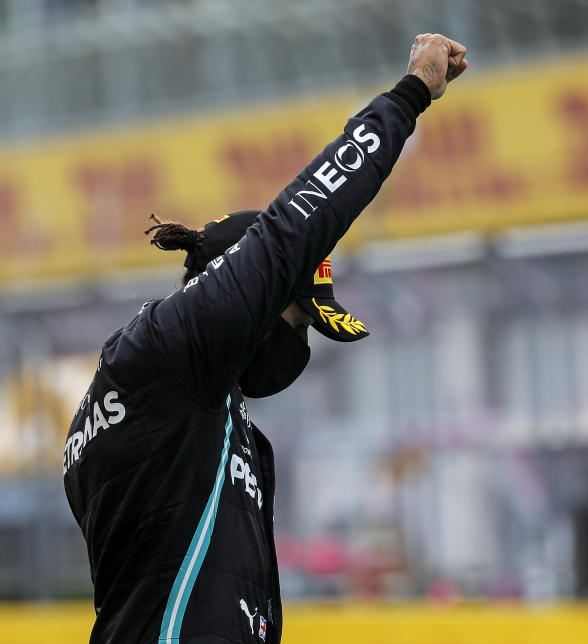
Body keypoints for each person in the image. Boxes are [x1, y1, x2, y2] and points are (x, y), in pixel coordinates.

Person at [63, 33, 468, 643]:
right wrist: (407, 99)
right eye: (300, 319)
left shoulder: (207, 418)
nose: (302, 344)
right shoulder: (161, 353)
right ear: (242, 297)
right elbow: (293, 229)